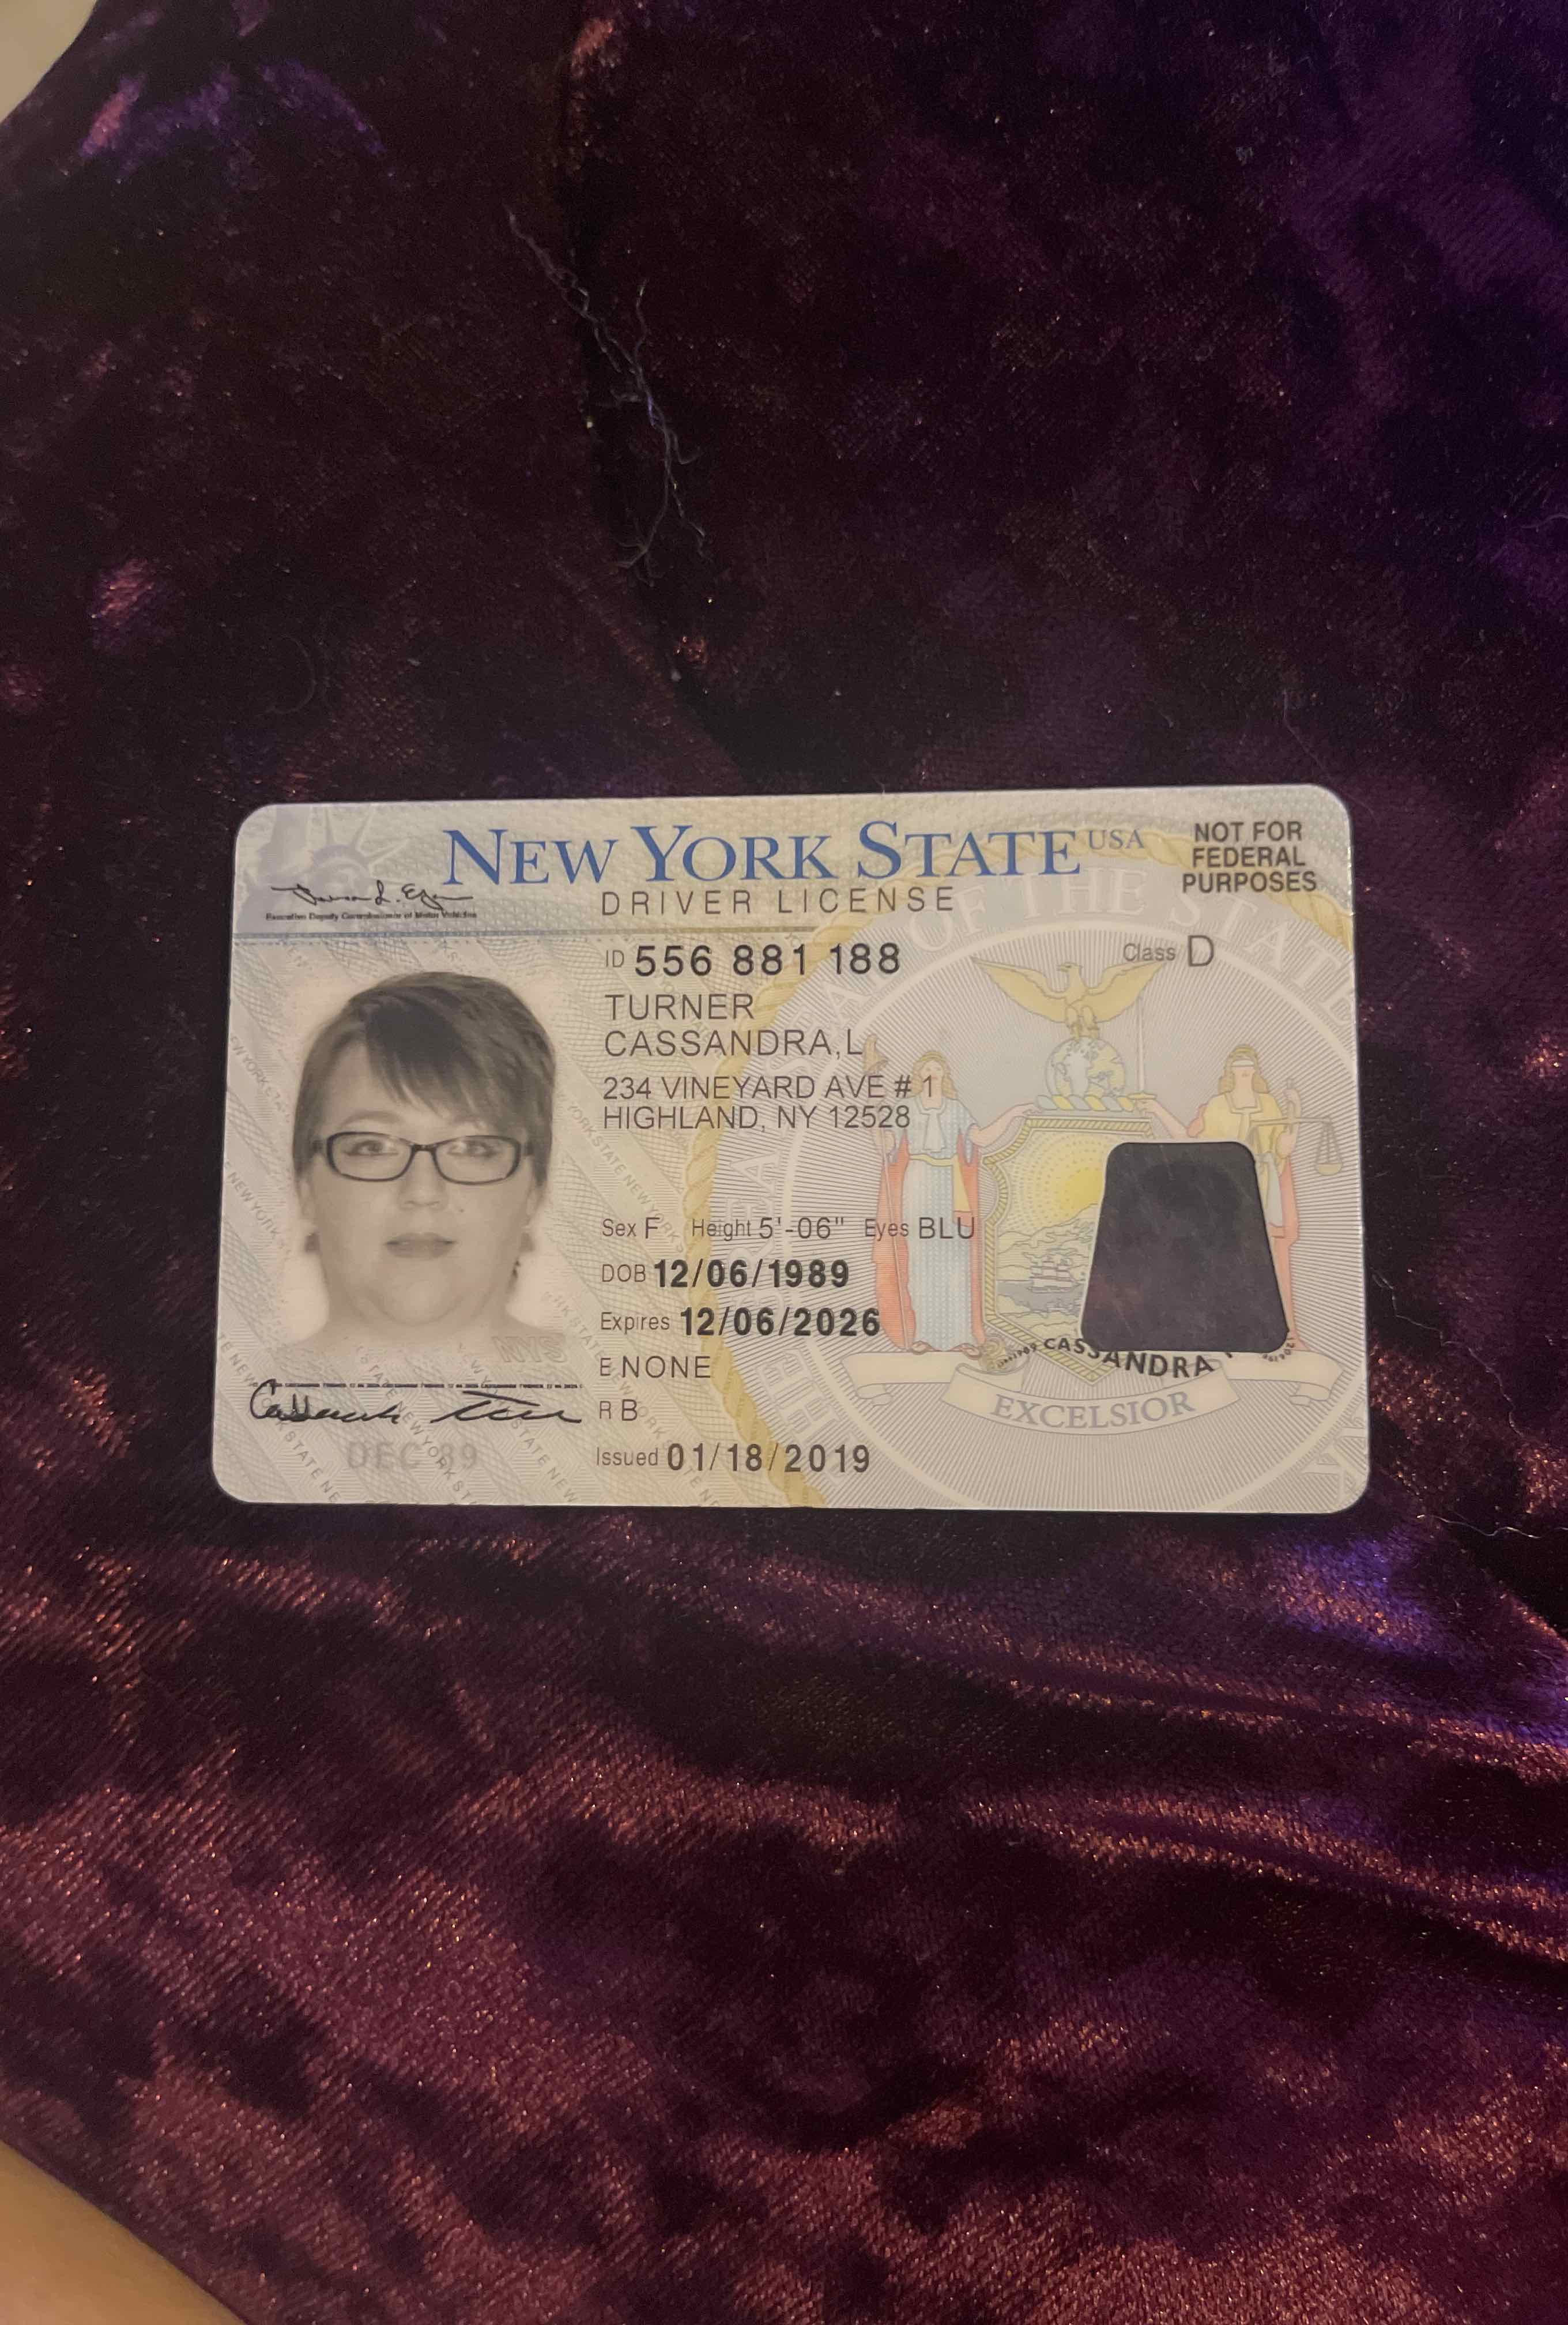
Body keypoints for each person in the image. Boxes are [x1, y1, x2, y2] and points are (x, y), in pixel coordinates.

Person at [291, 970, 555, 1355]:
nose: (422, 1191)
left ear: (534, 1189)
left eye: (473, 1147)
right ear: (306, 1187)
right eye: (373, 1147)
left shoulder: (610, 1381)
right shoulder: (237, 1385)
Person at [869, 1049, 1030, 1355]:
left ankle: (962, 1336)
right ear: (919, 1075)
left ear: (945, 1076)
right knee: (921, 1260)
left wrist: (1012, 1114)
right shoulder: (905, 1108)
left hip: (949, 1182)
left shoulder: (956, 1109)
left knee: (956, 1259)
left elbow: (980, 1139)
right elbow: (887, 1146)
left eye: (938, 1069)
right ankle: (925, 1335)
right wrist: (874, 1124)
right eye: (927, 1069)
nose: (933, 1074)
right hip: (918, 1182)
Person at [1141, 1043, 1303, 1348]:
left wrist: (1295, 1110)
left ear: (1255, 1072)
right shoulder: (1217, 1106)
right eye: (1239, 1068)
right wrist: (1157, 1110)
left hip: (1261, 1188)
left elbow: (1284, 1147)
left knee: (1261, 1258)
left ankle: (1269, 1330)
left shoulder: (1269, 1105)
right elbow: (1190, 1141)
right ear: (1230, 1072)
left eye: (1249, 1068)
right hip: (1224, 1190)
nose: (1244, 1073)